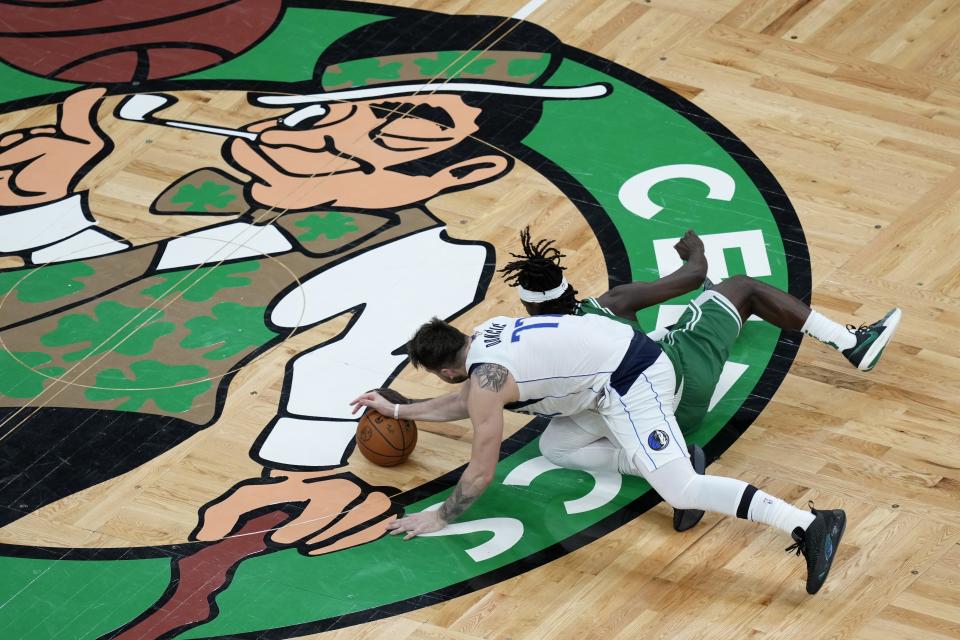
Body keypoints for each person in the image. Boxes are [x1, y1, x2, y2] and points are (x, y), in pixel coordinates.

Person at [352, 297, 850, 595]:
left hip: (631, 379)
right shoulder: (487, 339)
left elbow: (481, 470)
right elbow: (463, 400)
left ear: (445, 368)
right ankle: (668, 459)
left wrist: (440, 516)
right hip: (601, 374)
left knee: (681, 490)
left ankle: (809, 524)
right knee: (557, 449)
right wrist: (396, 410)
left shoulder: (486, 379)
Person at [494, 226, 900, 531]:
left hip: (636, 421)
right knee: (741, 289)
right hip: (681, 376)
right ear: (569, 289)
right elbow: (692, 275)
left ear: (528, 309)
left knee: (557, 443)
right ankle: (850, 342)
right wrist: (696, 251)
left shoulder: (531, 354)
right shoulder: (612, 304)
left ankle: (669, 467)